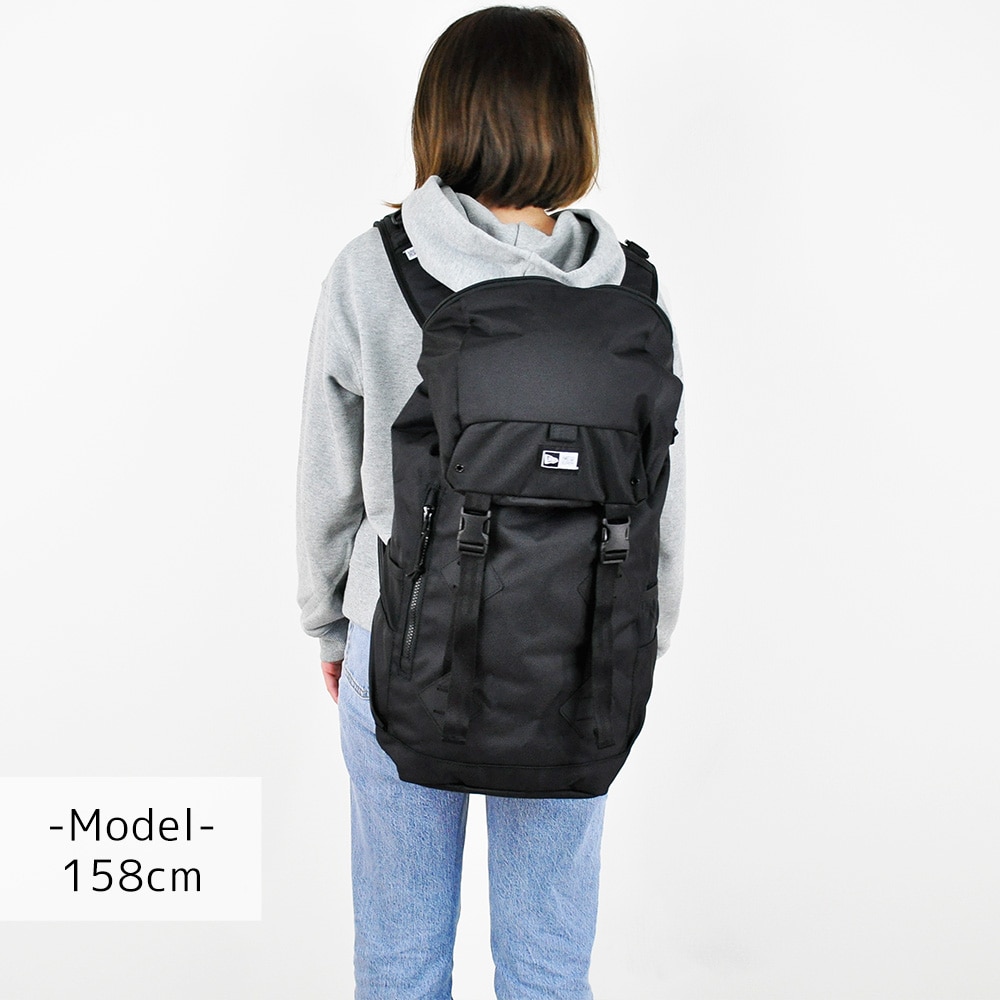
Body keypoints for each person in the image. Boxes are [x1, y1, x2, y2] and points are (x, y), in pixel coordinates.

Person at [296, 6, 685, 998]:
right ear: (573, 121)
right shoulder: (631, 292)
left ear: (442, 115)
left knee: (400, 960)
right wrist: (642, 639)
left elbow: (328, 471)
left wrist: (331, 623)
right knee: (549, 966)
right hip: (580, 653)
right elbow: (659, 499)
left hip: (400, 643)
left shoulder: (375, 268)